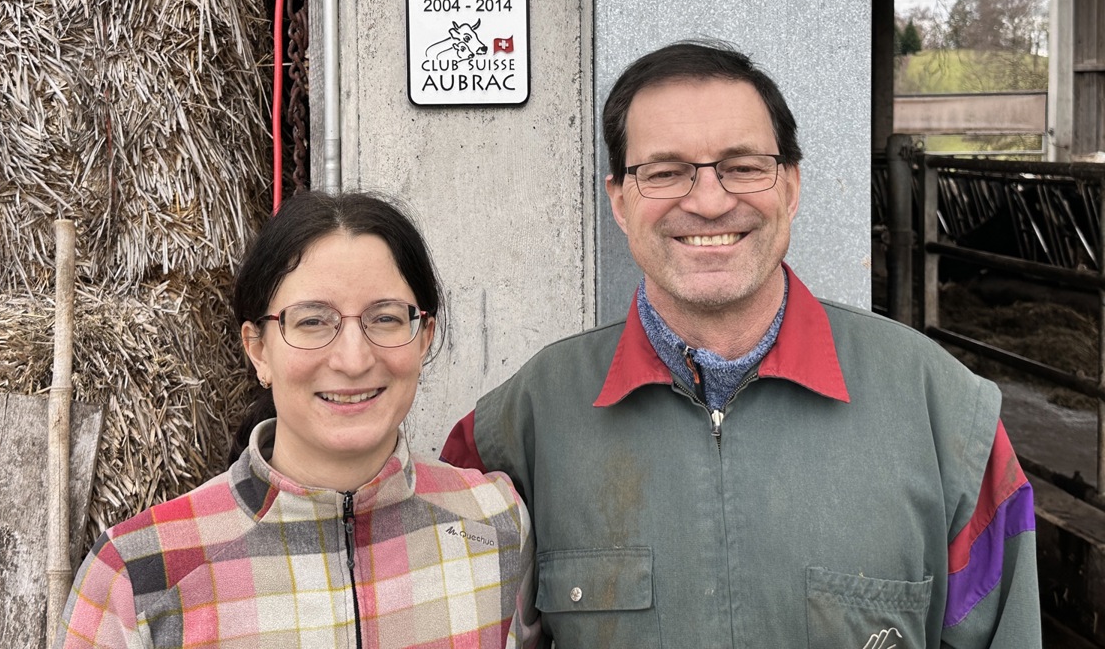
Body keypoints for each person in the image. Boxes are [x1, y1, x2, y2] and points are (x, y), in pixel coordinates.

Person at [442, 40, 1040, 647]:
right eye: (666, 172)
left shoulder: (946, 417)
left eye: (745, 166)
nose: (708, 201)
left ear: (790, 188)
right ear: (620, 201)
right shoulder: (523, 425)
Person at [57, 190, 539, 648]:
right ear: (258, 349)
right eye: (312, 321)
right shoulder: (138, 574)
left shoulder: (494, 523)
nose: (353, 360)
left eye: (386, 318)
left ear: (424, 336)